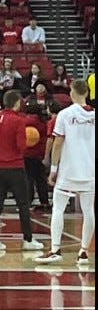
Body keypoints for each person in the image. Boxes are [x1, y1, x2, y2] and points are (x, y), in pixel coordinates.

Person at [35, 79, 95, 264]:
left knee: (58, 208)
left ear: (73, 92)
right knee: (88, 210)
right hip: (90, 170)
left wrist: (53, 169)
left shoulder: (64, 114)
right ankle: (83, 252)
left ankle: (55, 250)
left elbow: (58, 142)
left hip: (69, 170)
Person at [0, 90, 44, 252]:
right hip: (15, 168)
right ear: (17, 102)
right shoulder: (18, 121)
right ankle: (28, 240)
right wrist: (28, 141)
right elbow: (21, 146)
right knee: (23, 205)